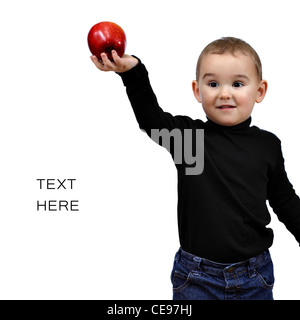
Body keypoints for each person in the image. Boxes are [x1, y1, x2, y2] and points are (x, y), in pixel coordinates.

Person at [90, 37, 300, 300]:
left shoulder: (268, 145)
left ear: (259, 91)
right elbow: (151, 120)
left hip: (254, 276)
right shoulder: (190, 140)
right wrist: (132, 73)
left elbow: (284, 201)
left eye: (237, 84)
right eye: (213, 84)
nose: (224, 93)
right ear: (197, 90)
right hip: (197, 278)